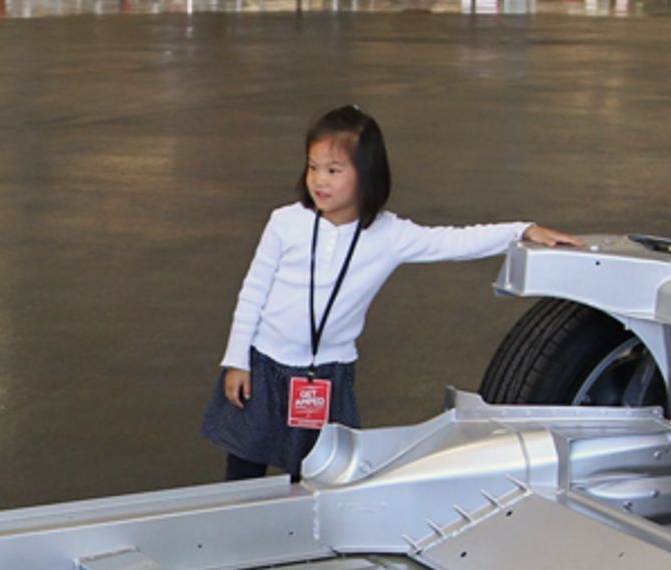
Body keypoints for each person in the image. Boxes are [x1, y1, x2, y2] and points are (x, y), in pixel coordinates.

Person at [203, 105, 588, 481]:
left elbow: (454, 241)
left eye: (334, 170)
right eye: (313, 166)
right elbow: (252, 292)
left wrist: (521, 231)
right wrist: (238, 360)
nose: (319, 180)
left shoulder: (389, 235)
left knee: (316, 472)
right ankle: (237, 538)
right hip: (265, 363)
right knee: (244, 465)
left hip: (327, 376)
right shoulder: (285, 223)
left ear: (367, 176)